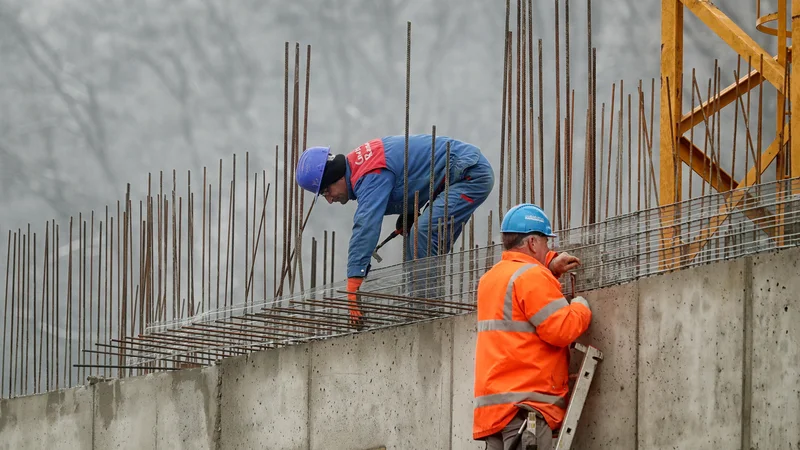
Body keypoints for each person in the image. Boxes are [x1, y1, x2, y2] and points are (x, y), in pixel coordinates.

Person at [296, 134, 495, 328]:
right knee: (415, 238)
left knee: (422, 233)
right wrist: (410, 211)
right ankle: (420, 306)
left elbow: (366, 224)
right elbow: (409, 172)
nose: (330, 200)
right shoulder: (361, 165)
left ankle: (429, 314)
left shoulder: (368, 174)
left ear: (335, 177)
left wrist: (354, 280)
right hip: (452, 177)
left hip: (470, 174)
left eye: (325, 192)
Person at [472, 203, 592, 450]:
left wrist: (549, 265)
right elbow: (562, 330)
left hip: (495, 413)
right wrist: (581, 307)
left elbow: (521, 298)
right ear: (533, 243)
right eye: (546, 243)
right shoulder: (532, 277)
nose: (548, 247)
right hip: (525, 409)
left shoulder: (490, 279)